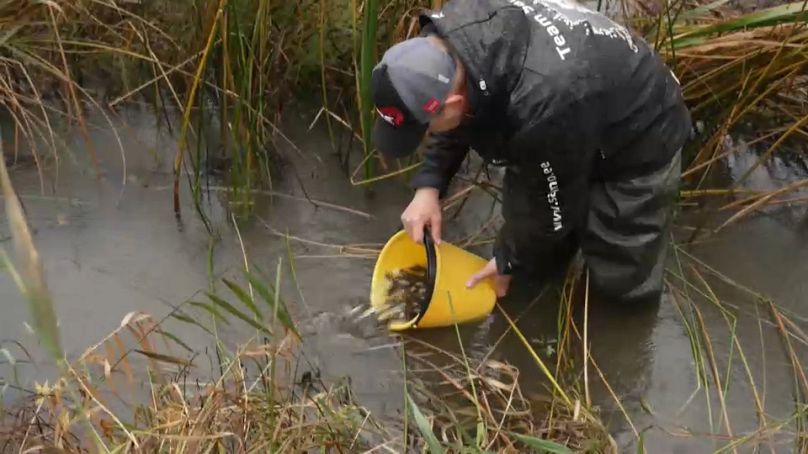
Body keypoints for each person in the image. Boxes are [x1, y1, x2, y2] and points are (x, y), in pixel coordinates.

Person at [370, 0, 692, 306]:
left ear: (452, 105)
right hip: (572, 113)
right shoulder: (452, 39)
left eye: (425, 127)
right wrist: (430, 185)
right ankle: (542, 294)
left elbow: (553, 205)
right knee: (538, 251)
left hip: (639, 133)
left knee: (620, 271)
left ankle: (616, 336)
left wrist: (509, 258)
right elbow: (457, 116)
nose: (428, 134)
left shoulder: (540, 107)